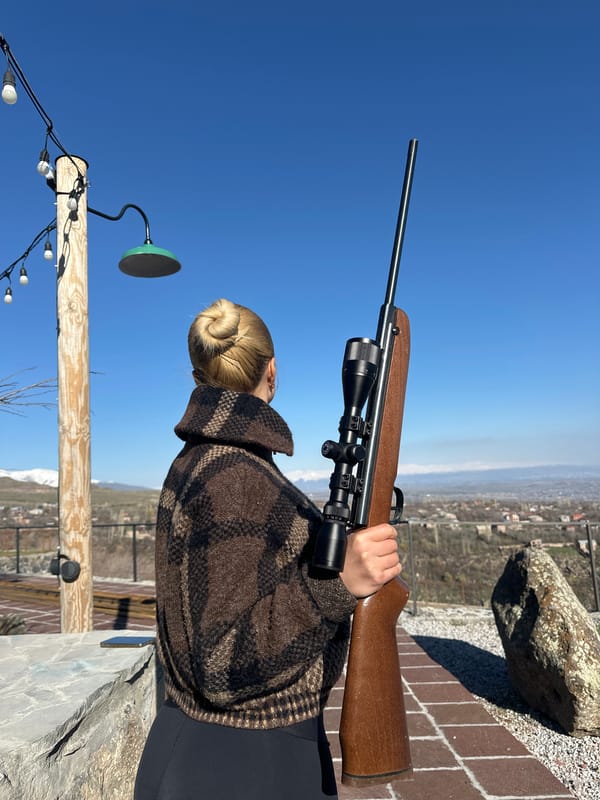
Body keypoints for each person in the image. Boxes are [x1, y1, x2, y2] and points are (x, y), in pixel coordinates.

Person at [134, 298, 402, 800]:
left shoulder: (201, 460)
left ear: (198, 376)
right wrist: (337, 585)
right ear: (272, 371)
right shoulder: (234, 475)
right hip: (249, 762)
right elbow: (220, 663)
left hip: (200, 747)